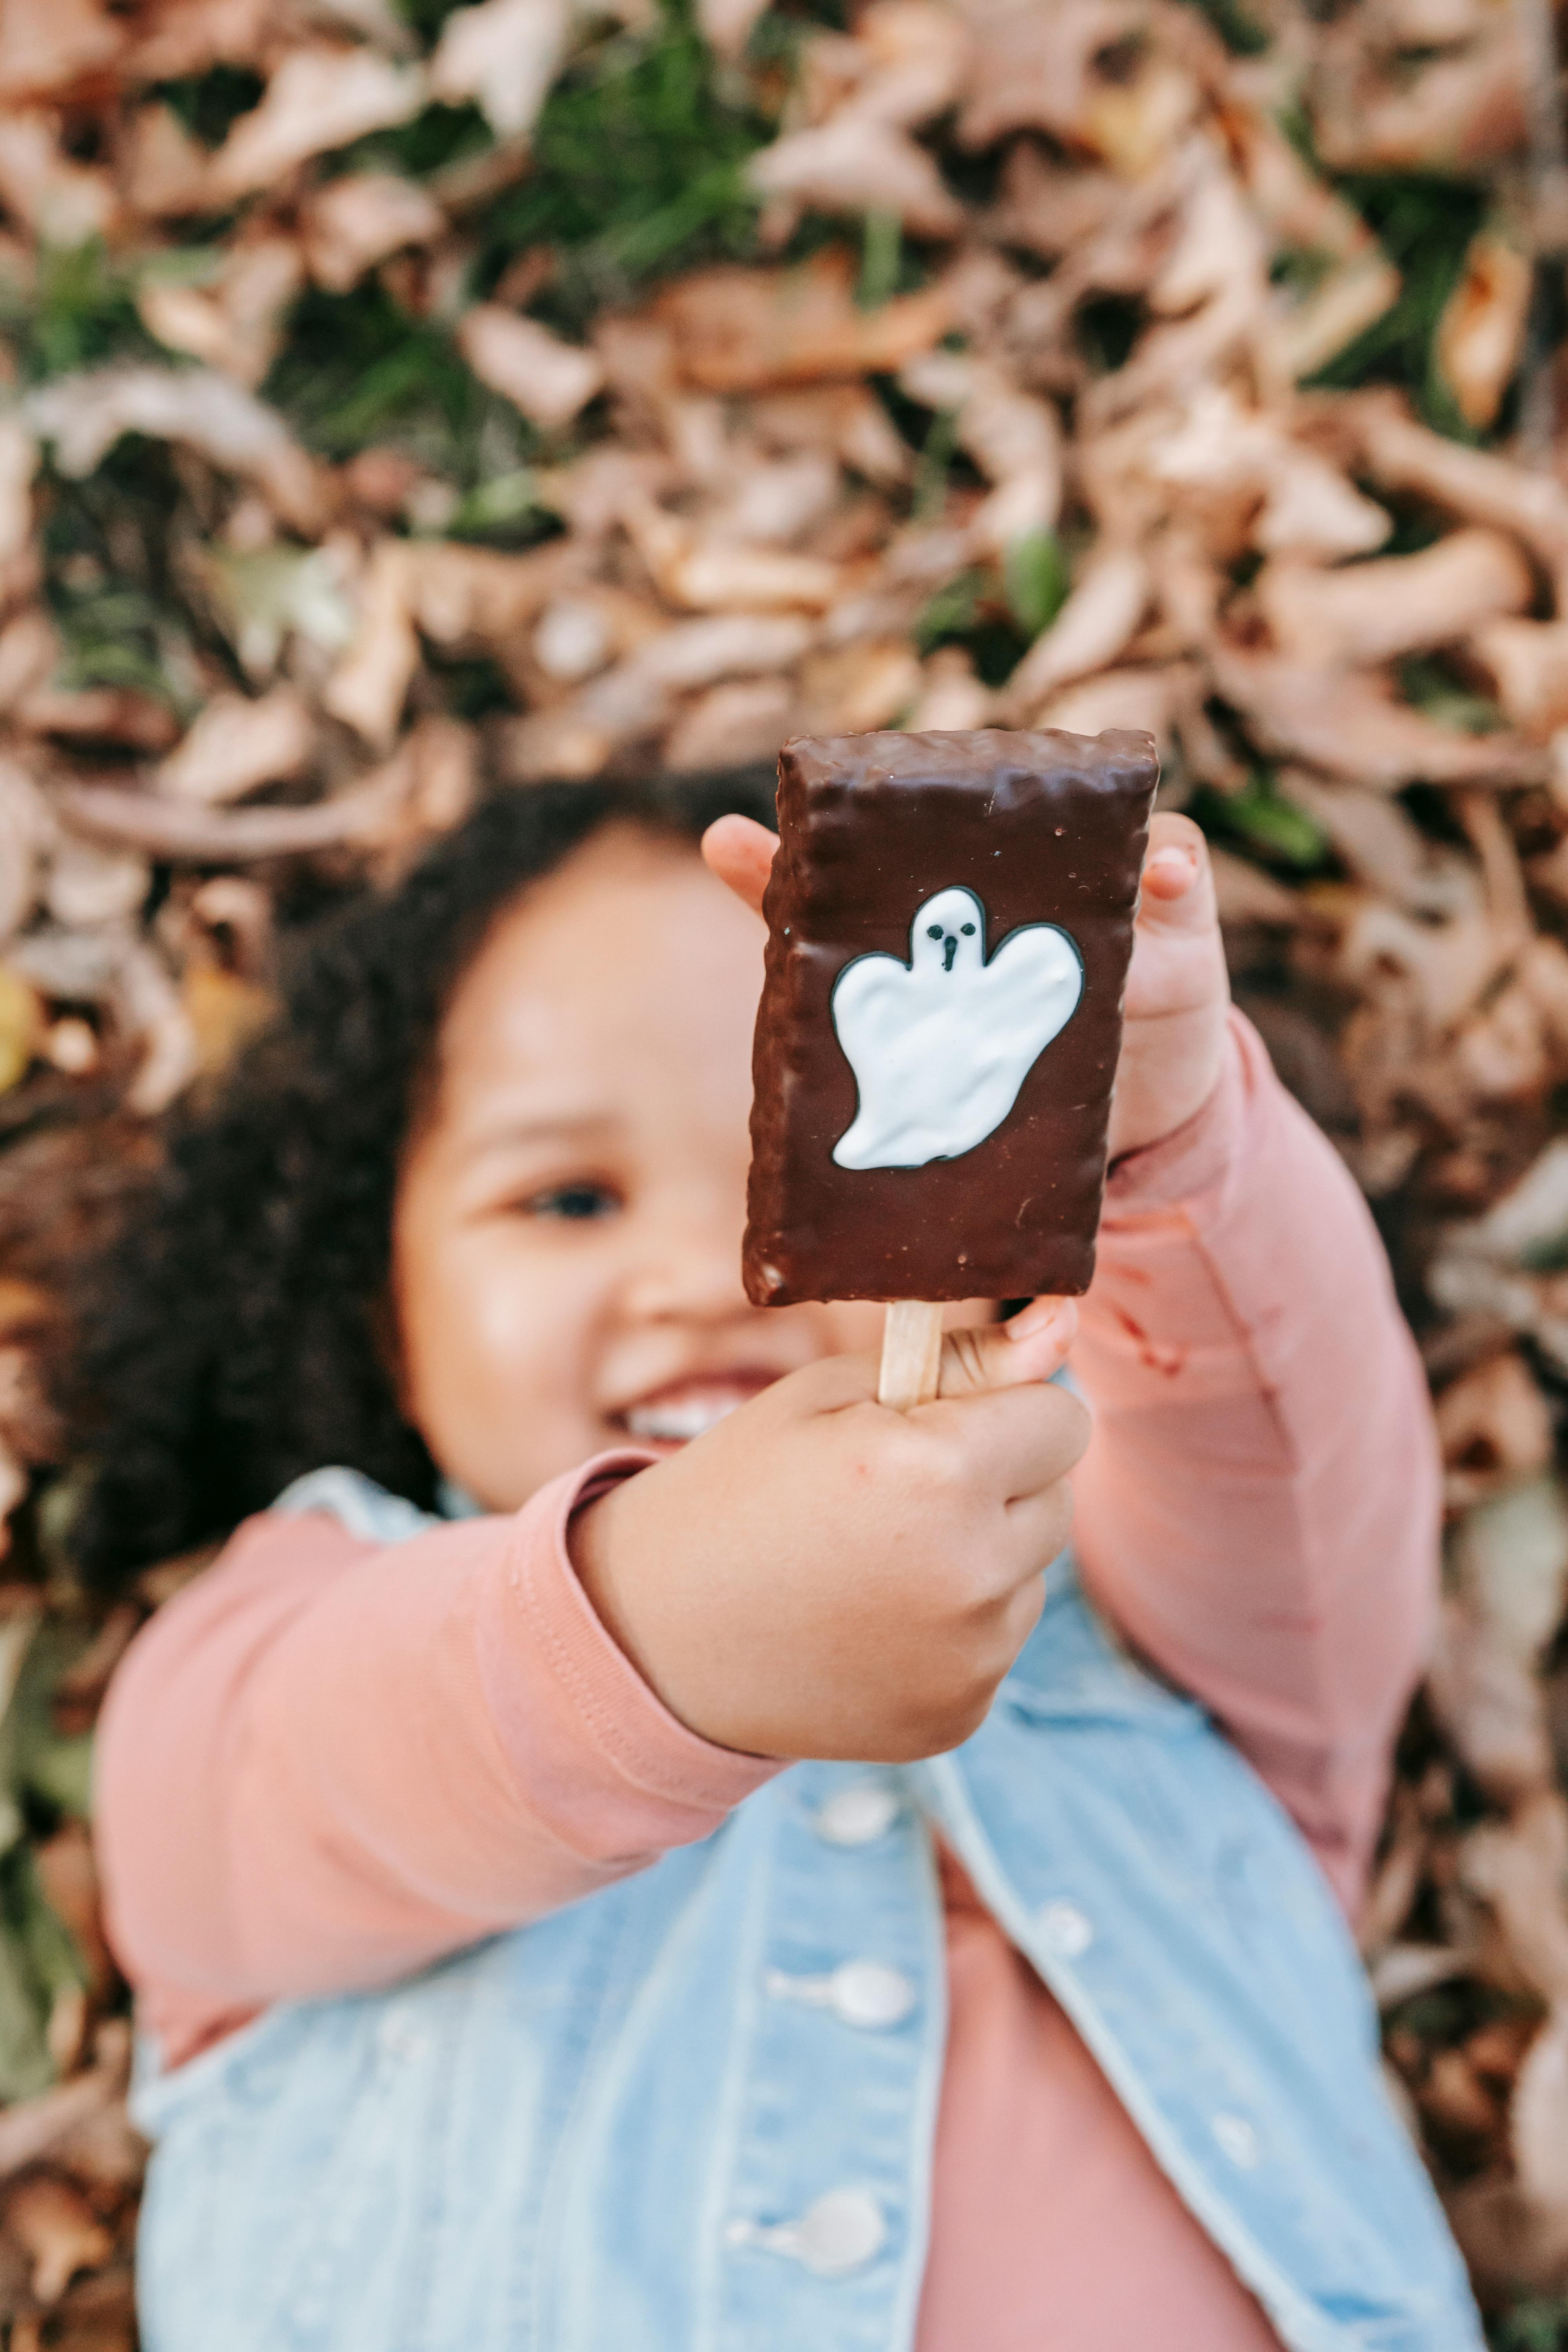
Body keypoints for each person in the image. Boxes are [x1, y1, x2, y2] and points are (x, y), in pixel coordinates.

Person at [73, 767, 1480, 2351]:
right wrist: (657, 1615)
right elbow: (263, 1788)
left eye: (795, 1173)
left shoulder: (1139, 1586)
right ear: (375, 1301)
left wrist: (1153, 1148)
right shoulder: (319, 1604)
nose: (709, 1271)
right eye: (568, 1197)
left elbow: (1288, 1455)